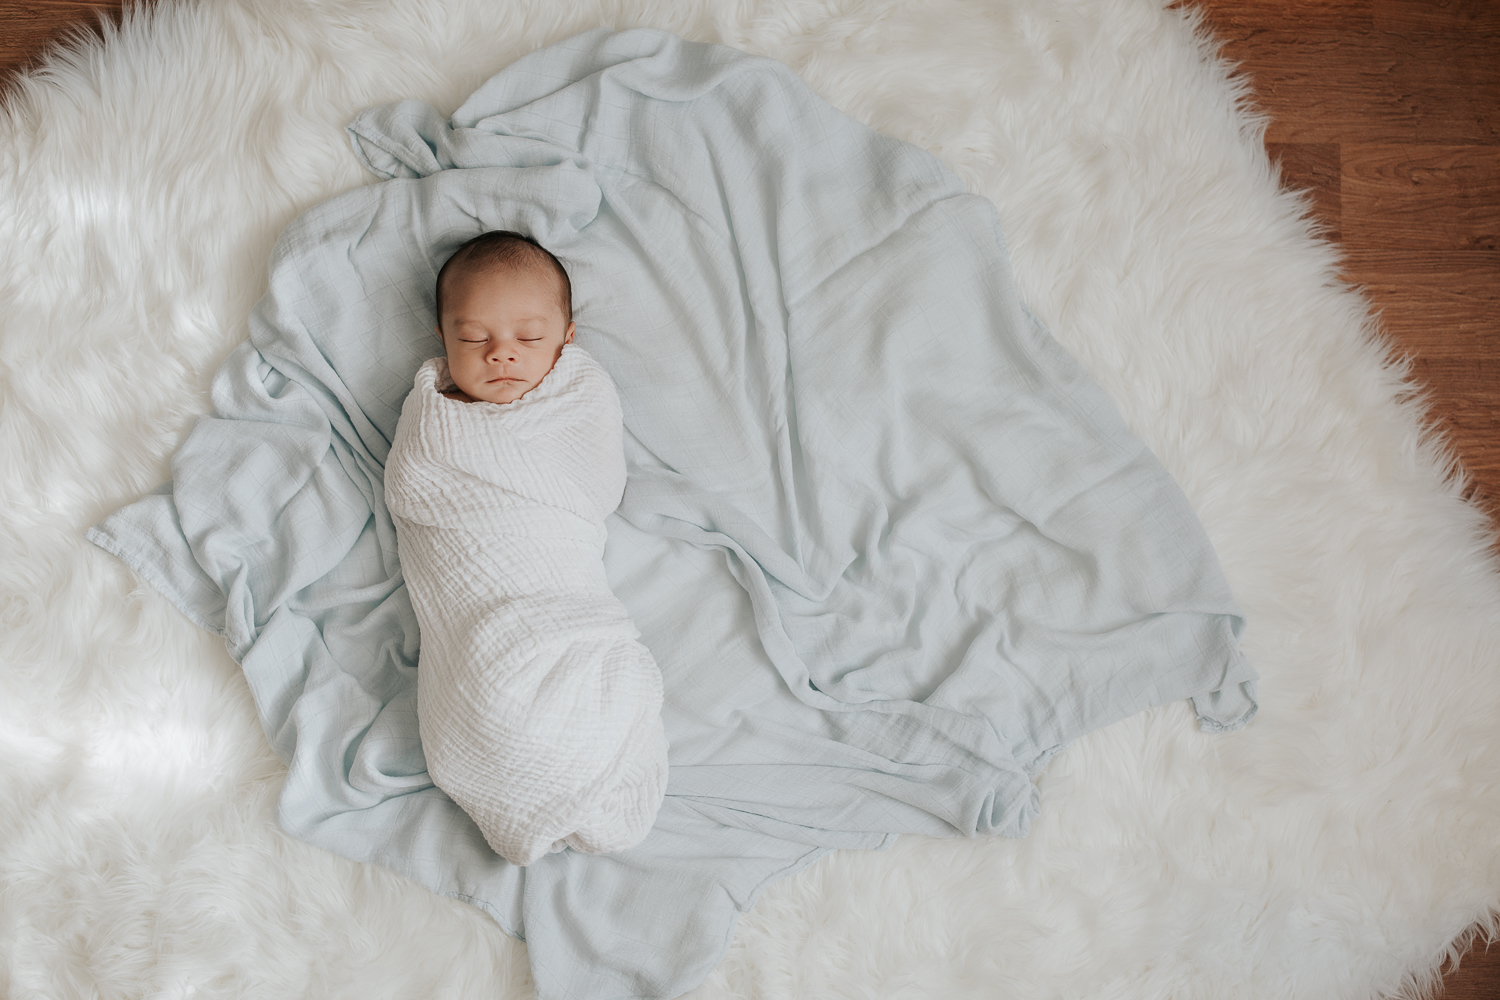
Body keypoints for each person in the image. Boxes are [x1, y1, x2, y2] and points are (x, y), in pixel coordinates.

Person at [383, 231, 668, 866]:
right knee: (491, 687)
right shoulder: (434, 425)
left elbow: (597, 487)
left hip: (557, 600)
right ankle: (529, 760)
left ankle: (572, 763)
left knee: (547, 687)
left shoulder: (577, 402)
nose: (501, 356)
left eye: (528, 339)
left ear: (566, 338)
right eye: (474, 339)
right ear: (442, 336)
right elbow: (414, 490)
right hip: (478, 626)